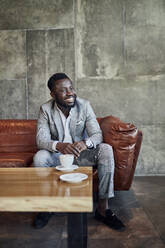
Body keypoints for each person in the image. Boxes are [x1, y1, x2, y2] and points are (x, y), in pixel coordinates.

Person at [33, 73, 125, 231]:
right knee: (40, 157)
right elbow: (41, 140)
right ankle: (47, 207)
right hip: (58, 157)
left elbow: (97, 135)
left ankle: (103, 209)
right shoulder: (45, 109)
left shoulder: (84, 105)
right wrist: (59, 145)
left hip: (80, 155)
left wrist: (85, 143)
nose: (70, 93)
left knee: (105, 149)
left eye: (71, 88)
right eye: (63, 90)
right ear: (53, 94)